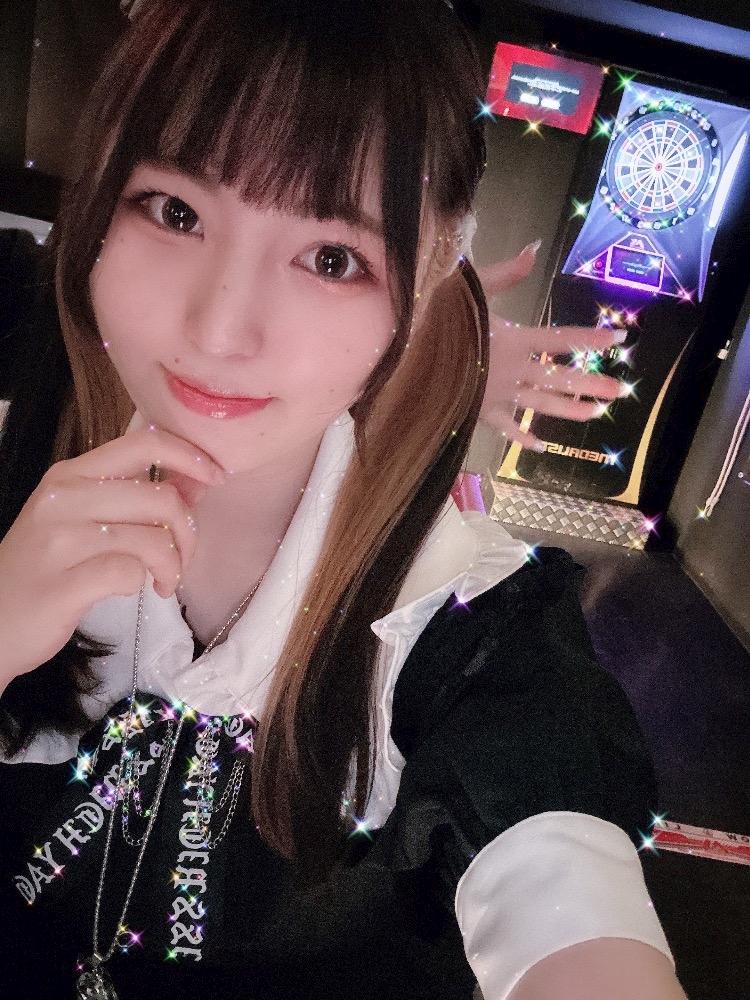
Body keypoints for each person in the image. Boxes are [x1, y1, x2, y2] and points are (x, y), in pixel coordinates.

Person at [0, 2, 688, 998]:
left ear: (427, 275)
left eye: (331, 259)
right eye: (175, 211)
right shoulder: (24, 443)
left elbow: (566, 890)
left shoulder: (464, 626)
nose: (220, 330)